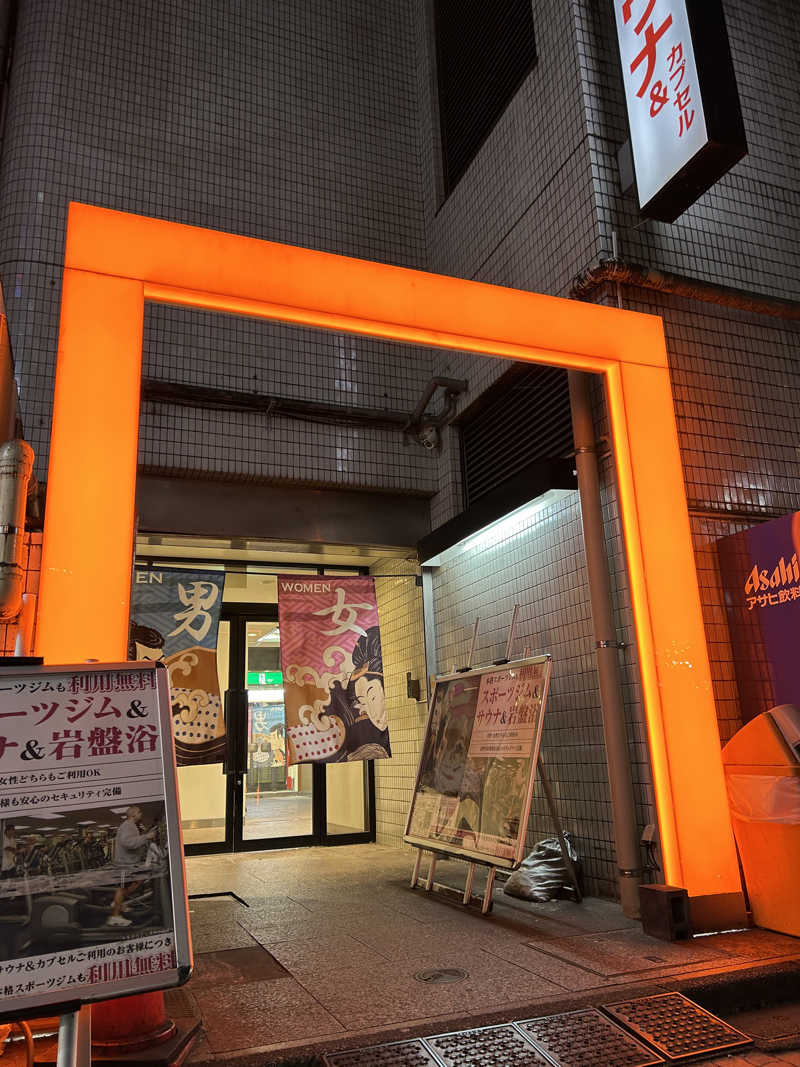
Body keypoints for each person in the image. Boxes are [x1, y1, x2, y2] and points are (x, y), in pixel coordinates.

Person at [107, 805, 156, 927]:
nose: (141, 814)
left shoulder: (131, 826)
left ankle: (118, 902)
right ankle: (115, 916)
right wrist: (146, 836)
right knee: (121, 888)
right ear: (133, 815)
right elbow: (128, 843)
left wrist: (144, 836)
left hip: (129, 863)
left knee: (139, 880)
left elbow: (133, 840)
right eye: (139, 812)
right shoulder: (128, 826)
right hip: (124, 864)